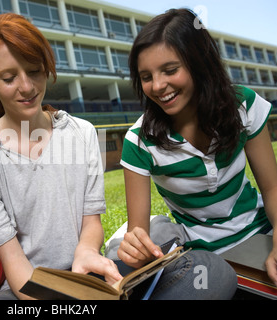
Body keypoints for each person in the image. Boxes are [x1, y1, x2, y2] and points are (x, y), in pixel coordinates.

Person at [0, 13, 122, 300]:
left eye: (34, 71)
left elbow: (91, 223)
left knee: (202, 270)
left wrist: (85, 253)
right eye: (9, 78)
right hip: (27, 288)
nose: (27, 87)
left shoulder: (82, 132)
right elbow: (12, 260)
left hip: (85, 273)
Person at [117, 7, 277, 293]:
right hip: (197, 254)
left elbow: (273, 188)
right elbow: (137, 233)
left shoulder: (244, 105)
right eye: (146, 76)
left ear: (199, 63)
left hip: (260, 232)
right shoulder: (138, 141)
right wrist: (135, 247)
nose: (158, 86)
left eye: (170, 70)